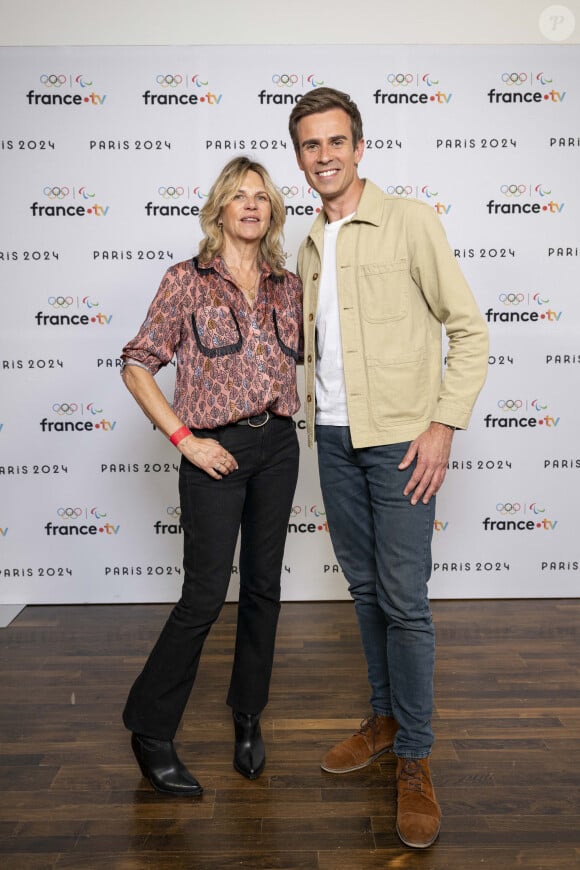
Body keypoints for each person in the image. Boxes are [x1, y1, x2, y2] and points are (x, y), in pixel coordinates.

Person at [289, 88, 488, 848]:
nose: (325, 155)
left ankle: (415, 758)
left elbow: (468, 331)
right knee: (367, 588)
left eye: (336, 141)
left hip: (403, 440)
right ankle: (384, 714)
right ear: (300, 157)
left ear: (359, 146)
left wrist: (443, 424)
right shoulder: (308, 242)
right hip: (333, 440)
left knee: (405, 600)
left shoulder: (410, 221)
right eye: (311, 145)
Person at [121, 156, 302, 796]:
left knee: (262, 590)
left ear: (272, 210)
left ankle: (248, 716)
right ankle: (150, 729)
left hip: (279, 446)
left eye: (262, 196)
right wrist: (186, 442)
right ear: (220, 208)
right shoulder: (185, 281)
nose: (251, 205)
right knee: (203, 597)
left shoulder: (288, 284)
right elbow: (138, 363)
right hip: (214, 451)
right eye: (239, 196)